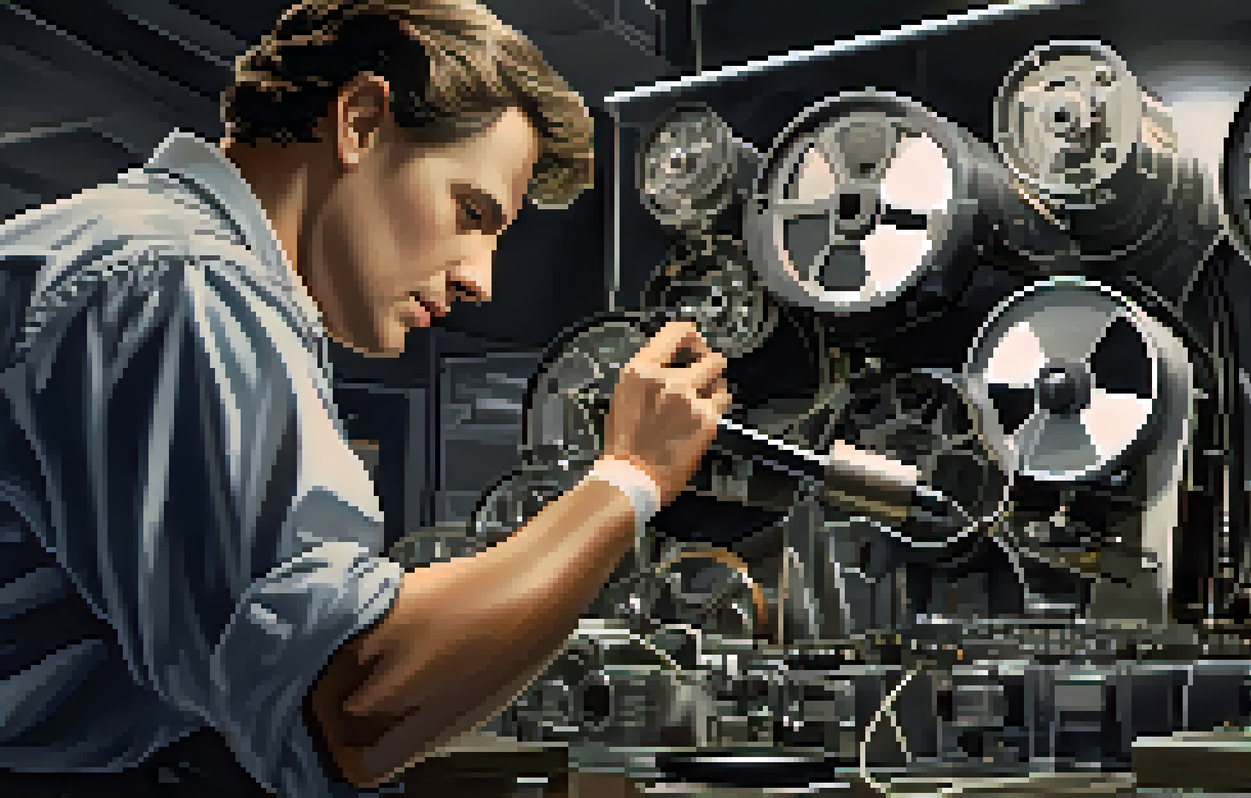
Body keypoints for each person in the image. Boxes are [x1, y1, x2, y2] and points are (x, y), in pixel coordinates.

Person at [0, 1, 731, 795]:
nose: (479, 279)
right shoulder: (185, 288)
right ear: (360, 123)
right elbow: (353, 703)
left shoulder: (129, 251)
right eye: (470, 212)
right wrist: (630, 477)